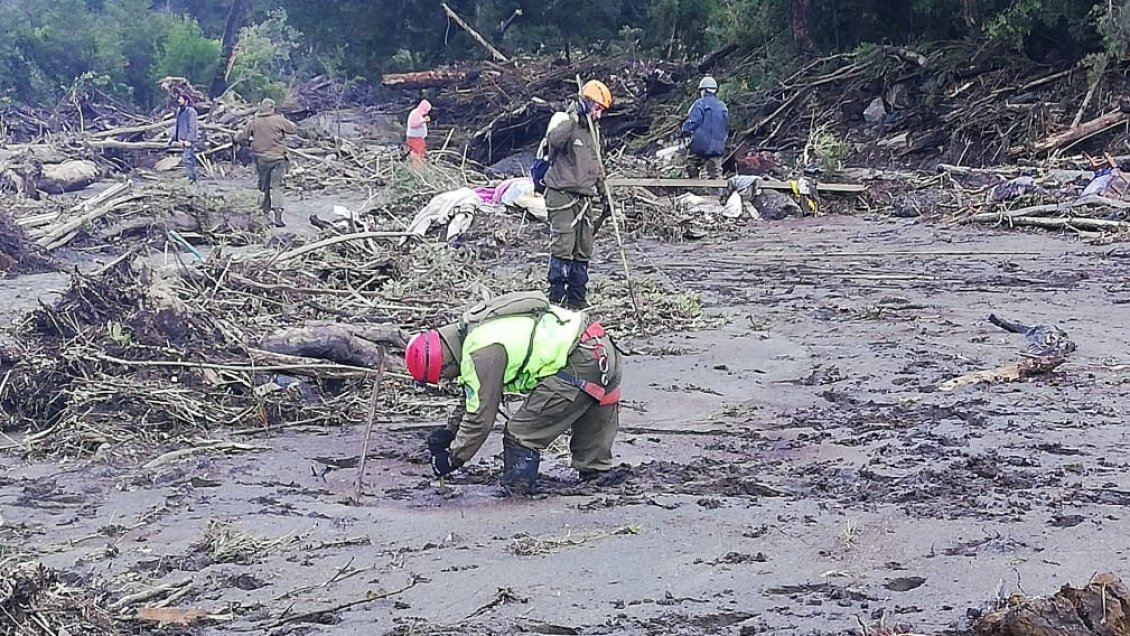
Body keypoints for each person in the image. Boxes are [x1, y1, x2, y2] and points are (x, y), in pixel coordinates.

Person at [404, 293, 623, 496]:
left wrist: (452, 458)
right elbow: (476, 393)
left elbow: (480, 418)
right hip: (600, 347)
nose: (446, 380)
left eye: (443, 377)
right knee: (594, 450)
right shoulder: (474, 327)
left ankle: (517, 495)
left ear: (443, 365)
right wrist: (450, 432)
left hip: (579, 365)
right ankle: (597, 483)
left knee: (521, 434)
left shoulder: (479, 353)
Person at [542, 80, 613, 310]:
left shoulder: (594, 132)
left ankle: (577, 299)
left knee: (583, 248)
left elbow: (597, 166)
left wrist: (605, 196)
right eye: (597, 109)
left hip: (584, 197)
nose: (599, 115)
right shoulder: (565, 121)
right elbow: (553, 141)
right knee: (563, 246)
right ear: (587, 102)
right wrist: (574, 117)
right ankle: (557, 300)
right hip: (561, 194)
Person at [235, 98, 297, 228]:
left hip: (261, 159)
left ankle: (265, 214)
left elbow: (244, 137)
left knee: (265, 186)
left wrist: (236, 137)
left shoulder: (254, 122)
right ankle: (278, 213)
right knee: (276, 187)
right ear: (272, 108)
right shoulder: (279, 120)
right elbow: (293, 129)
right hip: (278, 158)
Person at [681, 76, 729, 179]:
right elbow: (725, 126)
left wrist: (685, 131)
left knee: (691, 165)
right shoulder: (723, 106)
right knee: (715, 172)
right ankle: (718, 192)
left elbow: (693, 122)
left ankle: (695, 189)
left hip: (700, 145)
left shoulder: (699, 104)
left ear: (704, 90)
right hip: (717, 145)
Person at [171, 93, 199, 184]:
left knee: (187, 159)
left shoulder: (191, 112)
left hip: (188, 141)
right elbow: (177, 126)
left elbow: (192, 127)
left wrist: (189, 140)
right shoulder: (179, 111)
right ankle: (191, 179)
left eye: (181, 99)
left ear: (186, 101)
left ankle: (191, 179)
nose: (179, 101)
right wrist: (173, 138)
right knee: (188, 159)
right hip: (181, 140)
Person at [405, 99, 432, 166]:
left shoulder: (419, 114)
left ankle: (418, 169)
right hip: (414, 139)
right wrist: (423, 121)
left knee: (420, 154)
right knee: (416, 155)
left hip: (418, 139)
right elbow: (413, 124)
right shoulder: (415, 114)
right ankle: (416, 170)